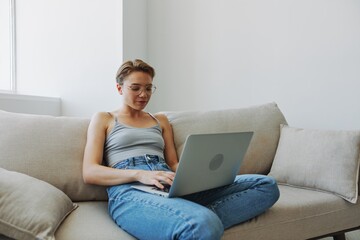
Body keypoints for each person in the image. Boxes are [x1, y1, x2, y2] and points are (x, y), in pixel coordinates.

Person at [82, 59, 280, 240]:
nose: (143, 95)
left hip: (169, 183)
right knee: (202, 223)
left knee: (266, 186)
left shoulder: (160, 120)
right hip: (130, 190)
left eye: (149, 88)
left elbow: (173, 163)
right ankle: (197, 220)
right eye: (135, 88)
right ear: (119, 88)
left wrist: (197, 177)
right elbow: (90, 172)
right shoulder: (104, 118)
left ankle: (189, 217)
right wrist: (140, 174)